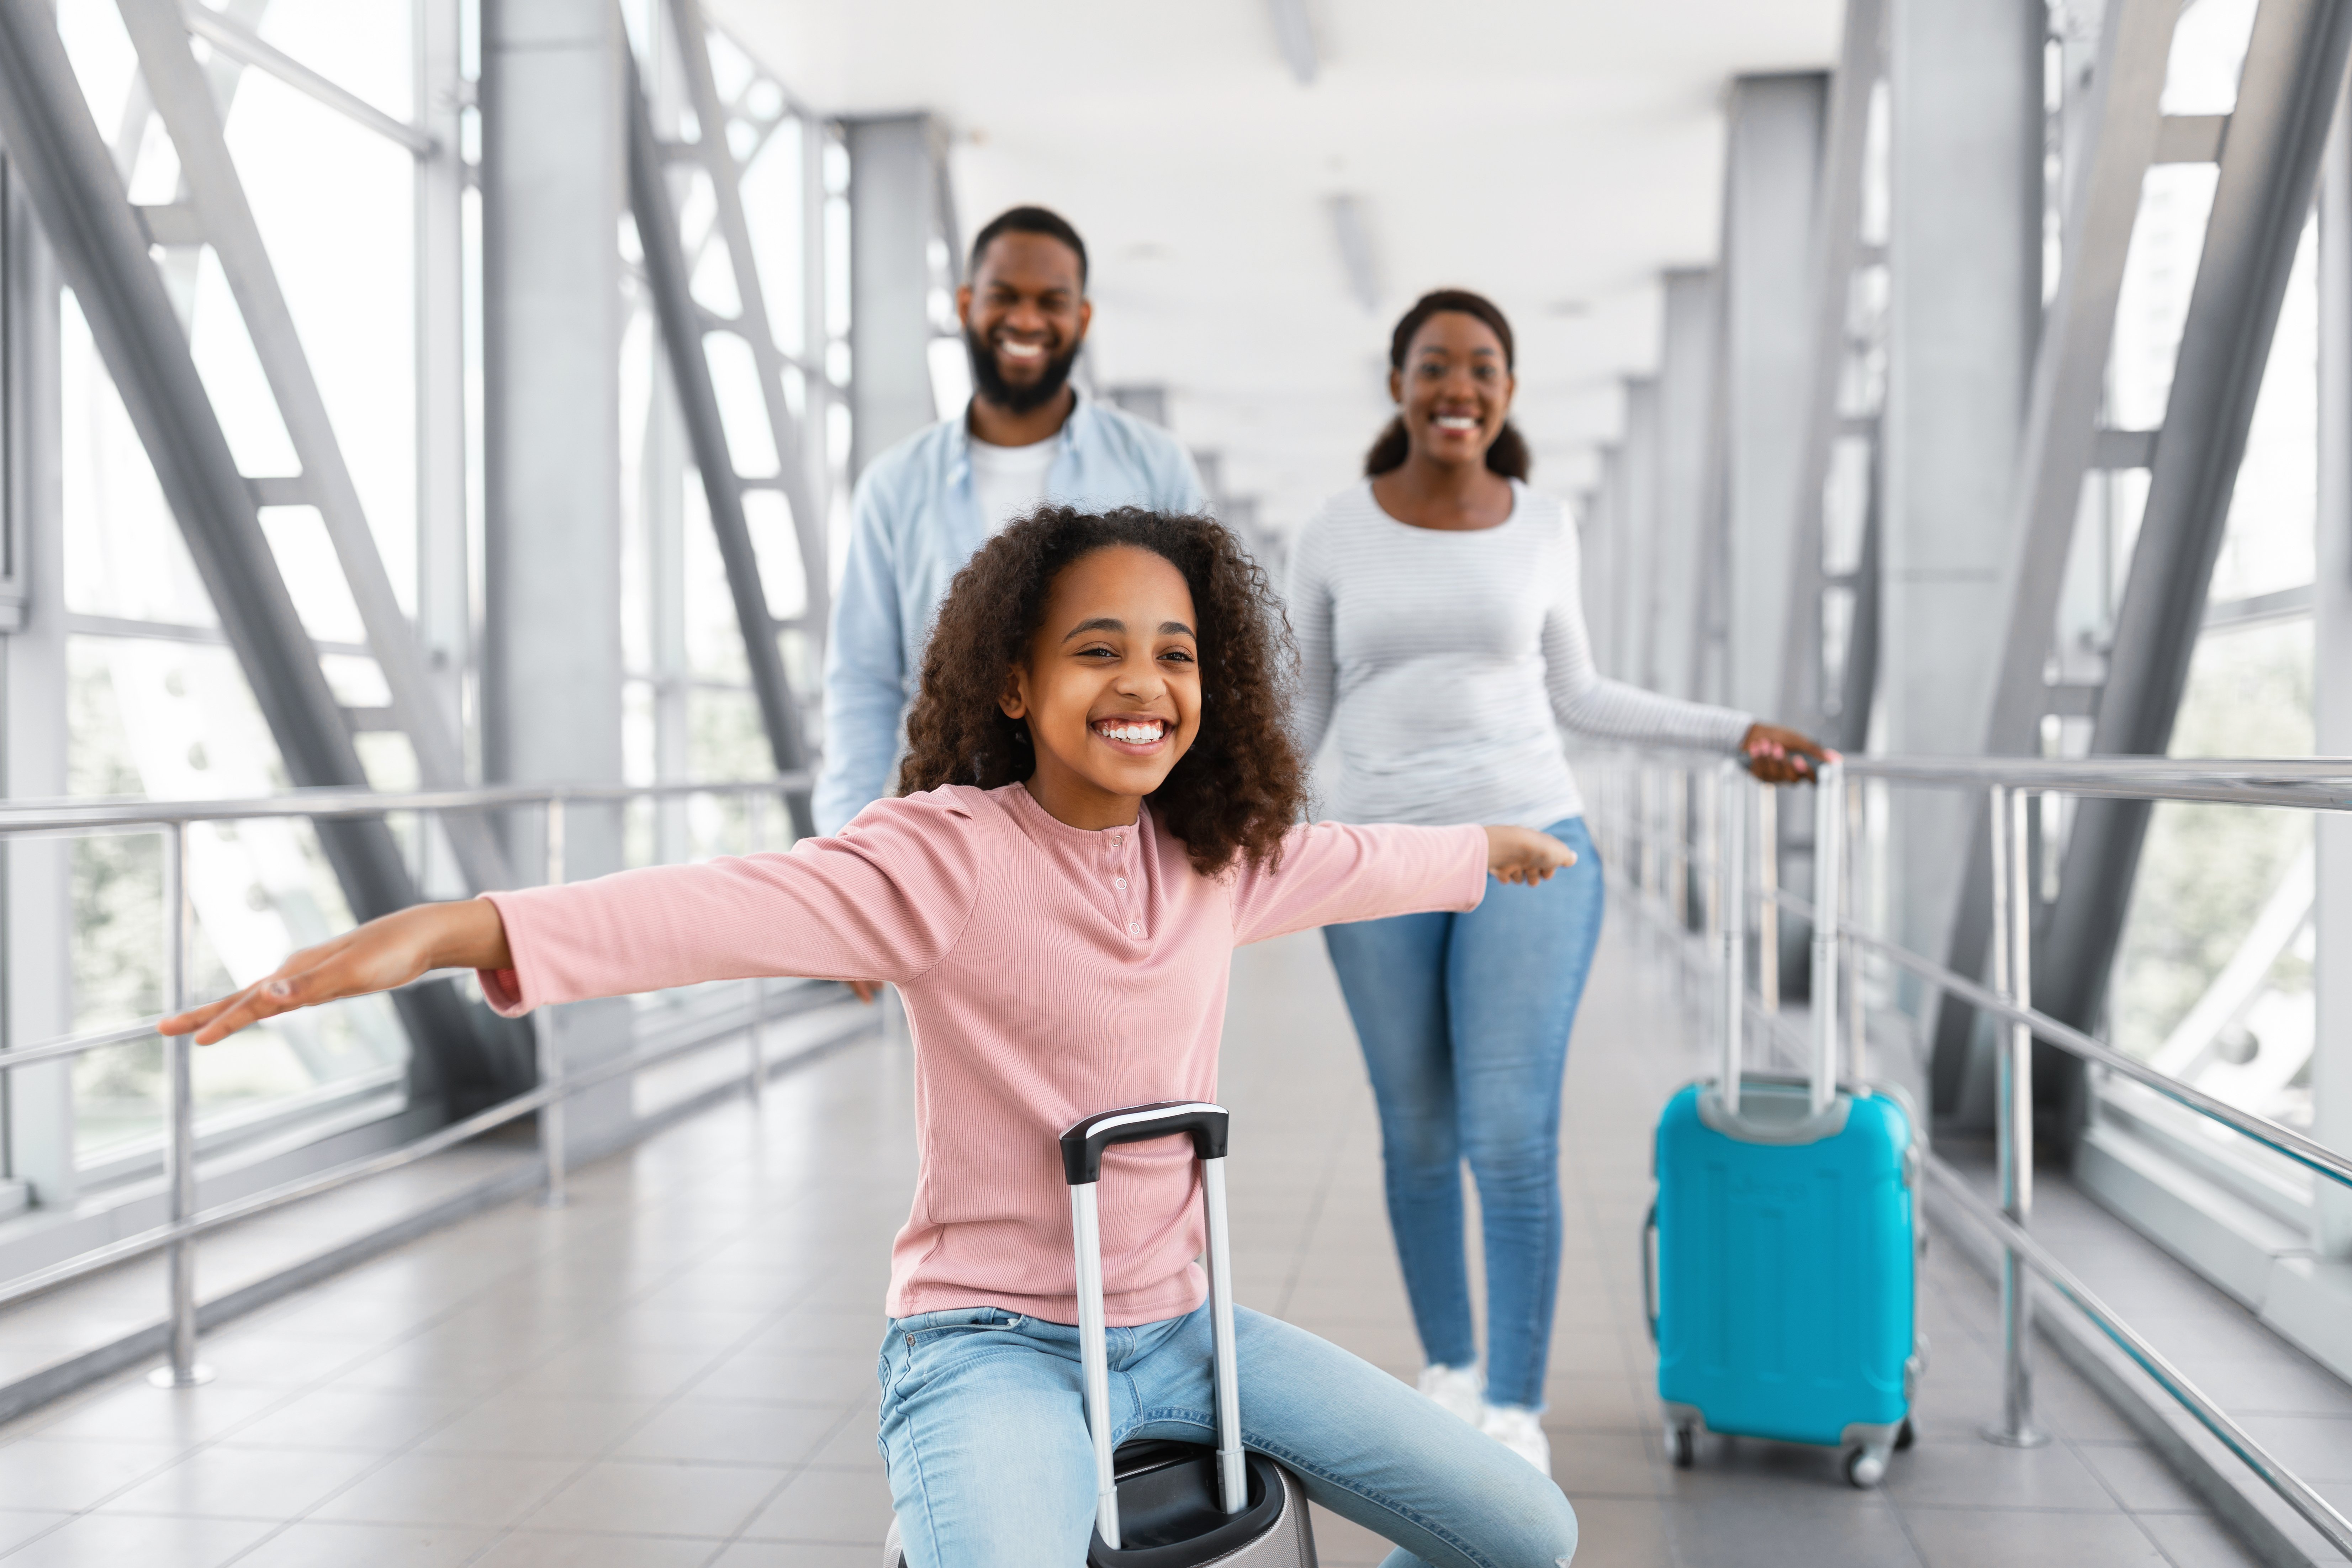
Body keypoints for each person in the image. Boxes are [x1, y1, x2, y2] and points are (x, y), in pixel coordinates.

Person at [167, 507, 1581, 1568]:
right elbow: (703, 906)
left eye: (1176, 654)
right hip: (990, 1345)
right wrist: (447, 927)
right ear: (1017, 684)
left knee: (1529, 1529)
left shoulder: (1214, 853)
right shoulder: (940, 859)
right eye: (1099, 650)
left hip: (1186, 1335)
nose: (1144, 682)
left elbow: (1357, 859)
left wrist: (1488, 847)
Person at [1285, 288, 1832, 1474]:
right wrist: (1217, 828)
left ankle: (1515, 1412)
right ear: (1398, 385)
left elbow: (1582, 693)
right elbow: (1303, 710)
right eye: (1434, 365)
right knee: (1417, 1133)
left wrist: (1735, 731)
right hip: (1377, 859)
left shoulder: (1542, 524)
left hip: (1534, 844)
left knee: (1510, 1133)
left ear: (1507, 392)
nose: (1457, 387)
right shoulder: (1333, 529)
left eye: (1482, 367)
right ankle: (1451, 1372)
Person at [814, 204, 1206, 840]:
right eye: (1005, 297)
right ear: (967, 304)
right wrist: (846, 843)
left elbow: (1199, 654)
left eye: (1051, 301)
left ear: (1081, 319)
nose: (1027, 319)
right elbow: (863, 681)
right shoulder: (895, 484)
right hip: (946, 833)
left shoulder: (1154, 465)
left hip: (1114, 827)